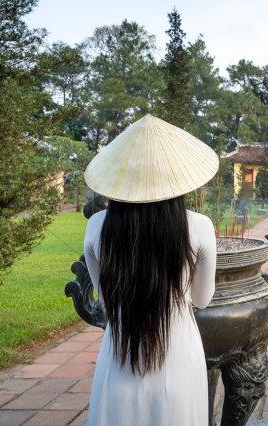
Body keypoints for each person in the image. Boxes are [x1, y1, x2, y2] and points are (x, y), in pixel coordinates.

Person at [81, 114, 221, 425]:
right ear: (177, 175)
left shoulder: (96, 227)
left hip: (120, 351)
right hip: (178, 356)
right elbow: (201, 299)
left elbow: (106, 301)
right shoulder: (199, 226)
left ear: (119, 175)